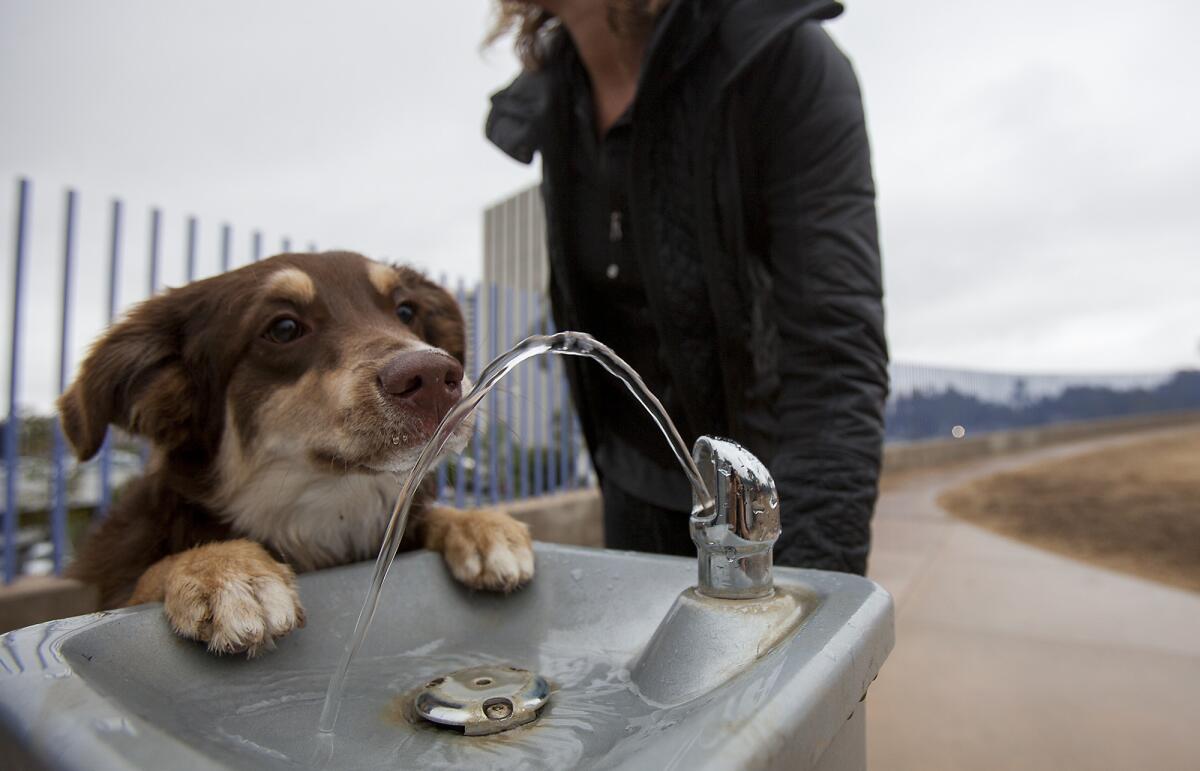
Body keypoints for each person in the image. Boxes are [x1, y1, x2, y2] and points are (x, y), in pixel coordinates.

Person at [485, 0, 888, 574]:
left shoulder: (779, 58)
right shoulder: (555, 96)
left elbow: (836, 351)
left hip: (775, 503)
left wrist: (815, 597)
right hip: (632, 495)